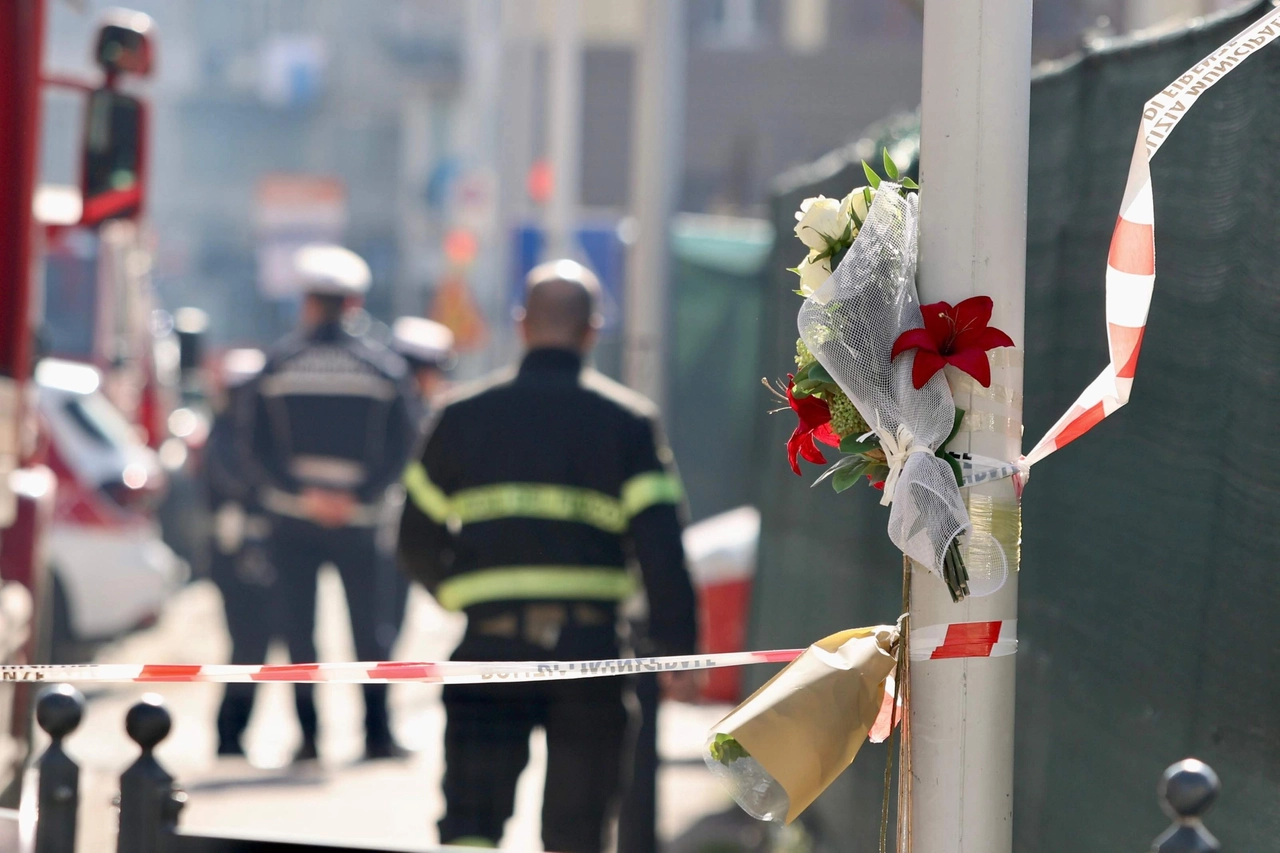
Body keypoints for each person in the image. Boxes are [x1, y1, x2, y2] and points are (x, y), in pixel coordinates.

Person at [397, 260, 700, 852]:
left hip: (488, 651)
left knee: (471, 827)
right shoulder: (628, 423)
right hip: (588, 658)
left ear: (520, 325)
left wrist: (462, 594)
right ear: (593, 331)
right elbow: (663, 549)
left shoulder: (459, 418)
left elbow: (412, 537)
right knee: (578, 835)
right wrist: (678, 651)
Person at [241, 244, 417, 762]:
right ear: (354, 302)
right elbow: (407, 446)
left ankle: (310, 740)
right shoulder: (383, 369)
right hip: (360, 523)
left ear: (308, 303)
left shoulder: (277, 364)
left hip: (291, 522)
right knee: (372, 632)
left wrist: (303, 494)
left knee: (300, 634)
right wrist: (356, 496)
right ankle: (378, 736)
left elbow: (254, 448)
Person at [206, 348, 283, 757]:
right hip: (237, 557)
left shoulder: (256, 434)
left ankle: (236, 735)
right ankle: (229, 735)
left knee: (261, 646)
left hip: (262, 553)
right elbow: (241, 484)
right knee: (247, 647)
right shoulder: (225, 436)